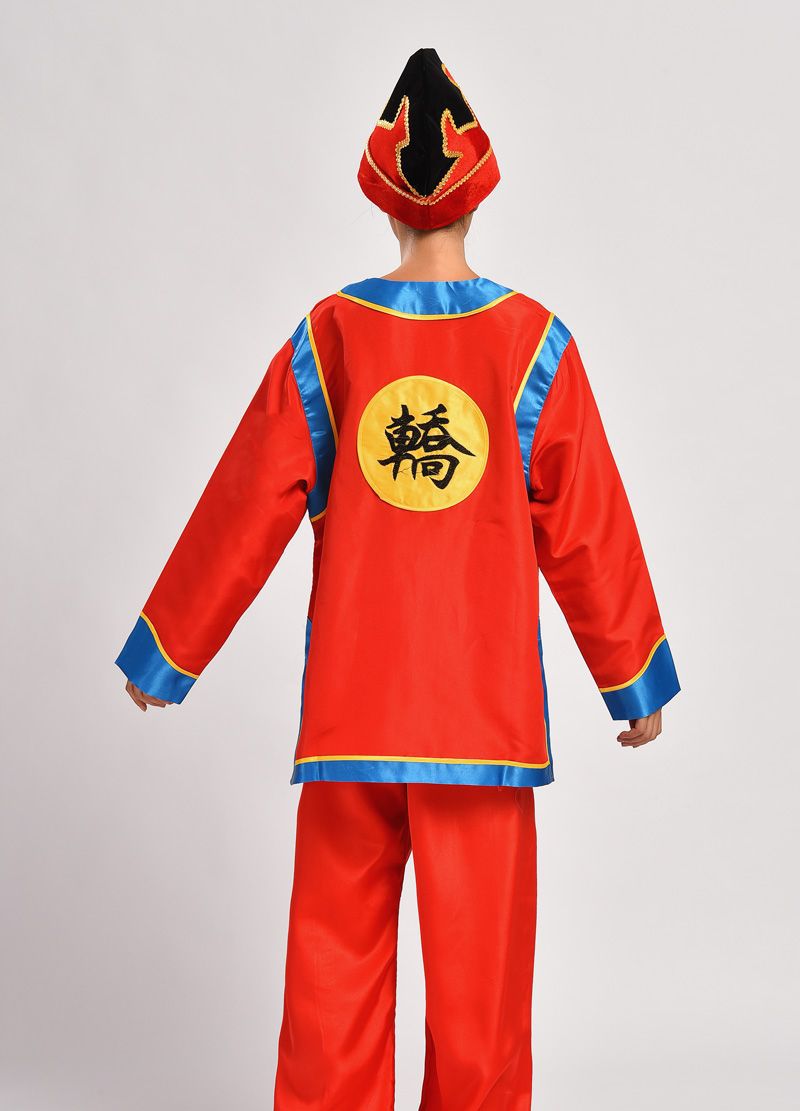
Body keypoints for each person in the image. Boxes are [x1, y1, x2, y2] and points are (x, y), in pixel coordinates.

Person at [116, 47, 680, 1110]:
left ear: (382, 203)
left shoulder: (331, 336)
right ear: (481, 196)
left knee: (333, 974)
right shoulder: (533, 346)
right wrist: (633, 679)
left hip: (353, 715)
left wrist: (167, 649)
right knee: (479, 995)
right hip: (481, 727)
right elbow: (587, 526)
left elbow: (246, 500)